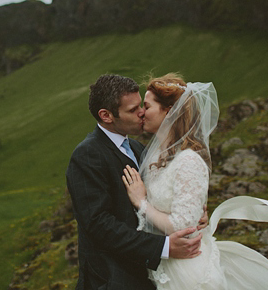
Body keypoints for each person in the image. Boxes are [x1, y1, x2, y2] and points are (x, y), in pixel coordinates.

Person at [122, 73, 268, 289]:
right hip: (160, 262)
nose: (142, 112)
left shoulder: (189, 161)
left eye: (147, 106)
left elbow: (183, 227)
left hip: (185, 269)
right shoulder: (154, 157)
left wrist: (143, 204)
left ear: (169, 111)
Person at [66, 74, 208, 290]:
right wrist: (165, 246)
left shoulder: (140, 150)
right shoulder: (87, 155)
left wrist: (192, 212)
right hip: (112, 280)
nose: (142, 112)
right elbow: (98, 224)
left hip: (152, 276)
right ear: (106, 115)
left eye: (141, 105)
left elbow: (162, 198)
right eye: (133, 110)